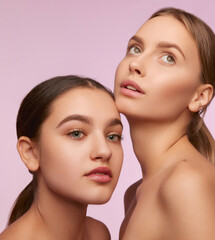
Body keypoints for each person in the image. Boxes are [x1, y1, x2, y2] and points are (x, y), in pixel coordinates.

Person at [114, 7, 215, 240]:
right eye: (135, 48)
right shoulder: (135, 194)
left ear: (199, 97)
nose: (136, 64)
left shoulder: (186, 183)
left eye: (168, 58)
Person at [0, 75, 123, 240]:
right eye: (76, 133)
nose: (104, 151)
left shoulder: (98, 233)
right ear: (30, 152)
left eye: (113, 136)